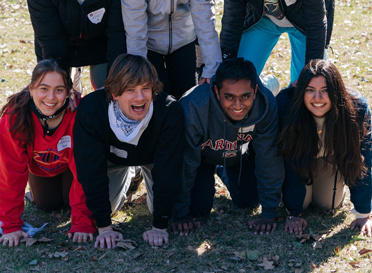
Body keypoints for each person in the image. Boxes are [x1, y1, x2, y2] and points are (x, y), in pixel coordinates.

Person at [73, 54, 185, 248]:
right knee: (107, 207)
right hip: (111, 159)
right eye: (130, 90)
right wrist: (104, 227)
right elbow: (90, 170)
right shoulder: (92, 109)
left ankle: (139, 168)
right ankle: (132, 172)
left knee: (167, 209)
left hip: (152, 159)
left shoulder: (168, 110)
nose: (140, 97)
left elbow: (168, 169)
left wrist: (159, 226)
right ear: (115, 93)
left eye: (145, 89)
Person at [172, 57, 284, 236]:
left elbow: (269, 157)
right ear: (216, 91)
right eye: (229, 97)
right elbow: (186, 162)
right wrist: (179, 214)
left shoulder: (265, 104)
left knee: (248, 202)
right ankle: (214, 167)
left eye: (245, 96)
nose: (238, 105)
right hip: (202, 157)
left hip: (241, 153)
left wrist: (269, 212)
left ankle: (223, 170)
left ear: (255, 90)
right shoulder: (193, 105)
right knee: (198, 209)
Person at [0, 60, 96, 248]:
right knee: (46, 204)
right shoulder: (15, 116)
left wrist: (82, 222)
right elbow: (9, 175)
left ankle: (130, 174)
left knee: (73, 202)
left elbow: (84, 171)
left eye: (59, 90)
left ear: (69, 92)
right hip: (42, 169)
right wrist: (11, 225)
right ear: (31, 89)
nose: (51, 97)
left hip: (72, 167)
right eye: (43, 88)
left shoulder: (79, 113)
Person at [278, 59, 372, 236]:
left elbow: (364, 158)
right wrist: (294, 213)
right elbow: (288, 158)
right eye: (310, 90)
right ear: (301, 91)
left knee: (328, 204)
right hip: (298, 161)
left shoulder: (357, 108)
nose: (317, 98)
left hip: (329, 158)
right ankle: (270, 83)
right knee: (300, 204)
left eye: (325, 90)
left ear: (336, 91)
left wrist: (363, 213)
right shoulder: (285, 106)